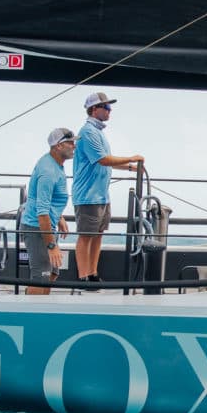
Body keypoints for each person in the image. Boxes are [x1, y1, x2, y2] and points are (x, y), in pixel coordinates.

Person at [73, 91, 144, 289]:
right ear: (94, 109)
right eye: (106, 108)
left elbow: (107, 160)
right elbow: (102, 159)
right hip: (88, 196)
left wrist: (130, 168)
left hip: (101, 195)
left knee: (98, 234)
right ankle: (83, 277)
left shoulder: (98, 133)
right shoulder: (87, 132)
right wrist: (131, 158)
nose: (109, 111)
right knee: (86, 235)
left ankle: (93, 273)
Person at [20, 128, 76, 295]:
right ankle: (31, 314)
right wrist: (51, 246)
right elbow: (42, 212)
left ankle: (41, 307)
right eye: (70, 143)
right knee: (41, 276)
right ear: (58, 146)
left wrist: (59, 218)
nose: (74, 146)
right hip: (37, 229)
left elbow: (49, 201)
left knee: (52, 273)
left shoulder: (55, 163)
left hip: (47, 227)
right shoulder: (48, 172)